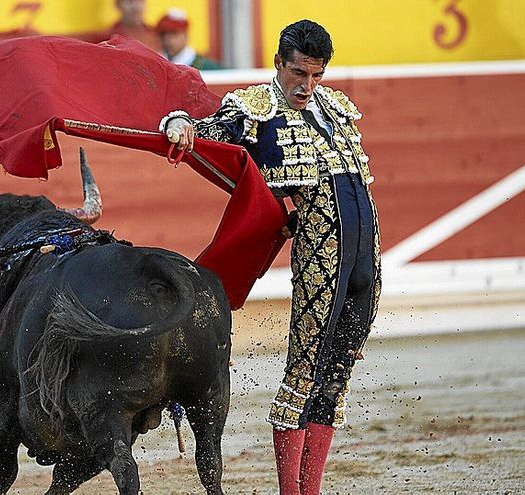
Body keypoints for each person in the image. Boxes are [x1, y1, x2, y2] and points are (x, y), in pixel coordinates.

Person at [161, 19, 380, 495]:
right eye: (299, 73)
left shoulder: (337, 107)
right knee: (305, 369)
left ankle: (312, 489)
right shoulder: (254, 107)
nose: (307, 85)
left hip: (366, 258)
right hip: (322, 255)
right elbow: (204, 134)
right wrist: (177, 122)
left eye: (316, 75)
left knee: (337, 374)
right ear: (279, 63)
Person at [155, 8, 221, 70]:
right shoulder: (156, 64)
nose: (168, 40)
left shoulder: (205, 66)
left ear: (186, 36)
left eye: (174, 34)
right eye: (163, 35)